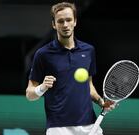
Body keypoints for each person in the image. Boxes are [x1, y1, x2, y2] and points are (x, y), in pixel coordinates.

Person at [26, 2, 115, 135]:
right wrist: (42, 87)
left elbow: (88, 85)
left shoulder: (88, 50)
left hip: (89, 124)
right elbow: (29, 94)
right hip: (59, 127)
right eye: (60, 21)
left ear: (75, 21)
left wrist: (101, 101)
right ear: (54, 24)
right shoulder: (43, 54)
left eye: (69, 20)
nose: (65, 25)